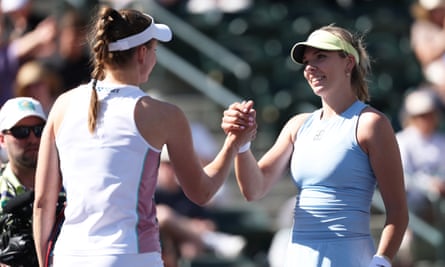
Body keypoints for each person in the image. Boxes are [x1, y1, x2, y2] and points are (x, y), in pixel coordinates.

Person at [32, 6, 256, 267]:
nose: (155, 58)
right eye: (154, 50)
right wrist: (233, 142)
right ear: (141, 53)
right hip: (131, 255)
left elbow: (42, 203)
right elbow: (202, 192)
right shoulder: (164, 114)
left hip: (68, 256)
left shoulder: (63, 104)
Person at [222, 24, 408, 267]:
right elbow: (253, 189)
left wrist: (381, 261)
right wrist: (242, 144)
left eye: (321, 57)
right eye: (307, 61)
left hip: (350, 259)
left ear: (348, 63)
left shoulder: (371, 124)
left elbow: (397, 211)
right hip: (299, 257)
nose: (310, 67)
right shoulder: (297, 125)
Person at [0, 97, 46, 267]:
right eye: (21, 131)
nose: (33, 138)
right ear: (2, 139)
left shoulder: (72, 184)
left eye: (40, 130)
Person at [410, 0, 445, 101]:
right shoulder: (421, 28)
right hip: (435, 84)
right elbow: (425, 55)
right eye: (433, 10)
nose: (436, 13)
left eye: (440, 9)